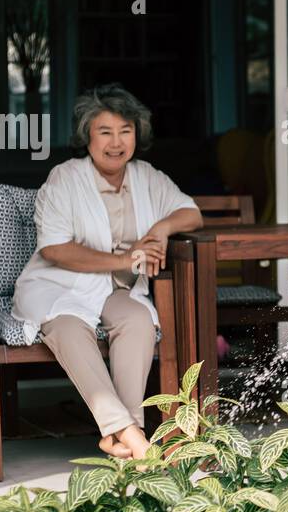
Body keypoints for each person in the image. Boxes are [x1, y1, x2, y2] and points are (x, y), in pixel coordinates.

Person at [12, 84, 203, 459]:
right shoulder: (65, 178)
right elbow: (54, 248)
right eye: (105, 132)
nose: (116, 142)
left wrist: (159, 230)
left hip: (119, 292)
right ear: (87, 136)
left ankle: (120, 437)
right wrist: (128, 259)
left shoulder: (147, 176)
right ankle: (130, 434)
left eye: (125, 131)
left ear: (137, 135)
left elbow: (190, 212)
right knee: (68, 328)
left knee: (137, 320)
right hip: (59, 285)